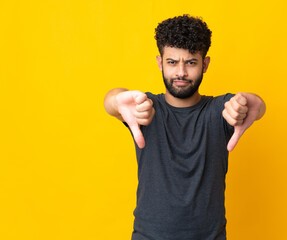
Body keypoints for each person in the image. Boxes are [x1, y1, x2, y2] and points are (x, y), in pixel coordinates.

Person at [104, 14, 266, 240]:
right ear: (160, 63)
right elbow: (114, 101)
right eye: (172, 62)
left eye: (190, 62)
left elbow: (252, 104)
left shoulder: (219, 111)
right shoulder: (145, 108)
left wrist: (254, 104)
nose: (181, 72)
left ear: (205, 64)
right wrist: (115, 101)